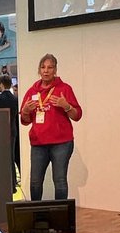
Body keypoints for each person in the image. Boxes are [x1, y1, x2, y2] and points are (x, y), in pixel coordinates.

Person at [20, 54, 82, 201]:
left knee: (59, 180)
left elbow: (77, 115)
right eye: (43, 67)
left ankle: (61, 217)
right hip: (38, 143)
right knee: (35, 182)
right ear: (39, 70)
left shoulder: (64, 89)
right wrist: (26, 111)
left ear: (55, 70)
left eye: (50, 67)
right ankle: (36, 215)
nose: (46, 71)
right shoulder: (32, 91)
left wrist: (66, 106)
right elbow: (25, 121)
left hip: (61, 143)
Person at [0, 74, 20, 191]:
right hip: (12, 131)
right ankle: (13, 185)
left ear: (1, 84)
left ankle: (1, 184)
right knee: (10, 158)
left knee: (0, 158)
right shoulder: (15, 99)